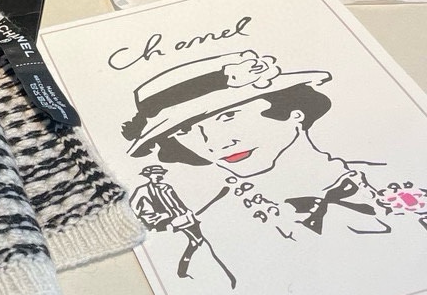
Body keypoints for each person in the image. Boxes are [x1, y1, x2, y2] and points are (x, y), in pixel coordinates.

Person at [121, 50, 417, 240]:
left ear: (292, 110)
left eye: (228, 116)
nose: (216, 143)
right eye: (185, 131)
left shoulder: (398, 172)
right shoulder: (214, 230)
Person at [128, 164, 236, 287]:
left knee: (196, 243)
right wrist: (156, 218)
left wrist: (187, 212)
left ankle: (183, 270)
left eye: (160, 174)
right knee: (202, 243)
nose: (158, 176)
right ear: (149, 176)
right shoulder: (142, 190)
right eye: (155, 174)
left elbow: (178, 203)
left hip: (185, 217)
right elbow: (133, 206)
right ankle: (206, 274)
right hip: (169, 222)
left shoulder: (166, 187)